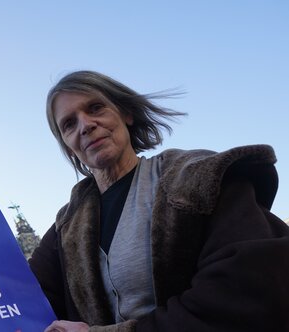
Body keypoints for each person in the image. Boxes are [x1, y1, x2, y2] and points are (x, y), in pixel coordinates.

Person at [29, 70, 289, 332]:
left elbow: (250, 287)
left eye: (95, 108)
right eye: (69, 124)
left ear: (126, 114)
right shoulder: (66, 226)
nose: (85, 125)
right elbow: (21, 298)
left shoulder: (195, 177)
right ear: (67, 145)